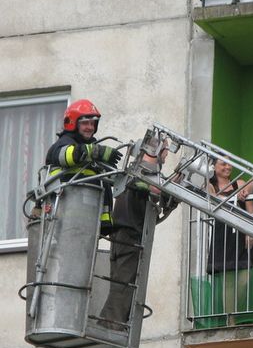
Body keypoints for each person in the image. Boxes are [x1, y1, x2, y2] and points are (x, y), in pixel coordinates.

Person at [100, 142, 177, 329]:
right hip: (128, 236)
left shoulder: (138, 171)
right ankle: (110, 327)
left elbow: (159, 199)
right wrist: (174, 185)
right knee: (123, 286)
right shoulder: (141, 172)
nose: (167, 155)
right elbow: (154, 190)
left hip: (128, 236)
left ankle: (115, 325)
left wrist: (172, 192)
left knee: (125, 284)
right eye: (165, 150)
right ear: (156, 150)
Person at [45, 99, 122, 234]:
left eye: (92, 123)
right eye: (85, 123)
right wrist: (94, 152)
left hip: (90, 219)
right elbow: (67, 155)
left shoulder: (93, 151)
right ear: (73, 124)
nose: (90, 127)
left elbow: (111, 178)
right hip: (66, 213)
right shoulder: (63, 143)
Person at [206, 158, 253, 314]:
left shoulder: (239, 184)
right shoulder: (209, 186)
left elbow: (251, 211)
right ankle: (231, 320)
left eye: (229, 164)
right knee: (228, 282)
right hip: (223, 236)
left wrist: (251, 232)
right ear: (214, 166)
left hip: (242, 235)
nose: (228, 167)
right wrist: (234, 197)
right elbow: (213, 204)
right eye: (223, 164)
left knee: (244, 280)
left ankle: (237, 312)